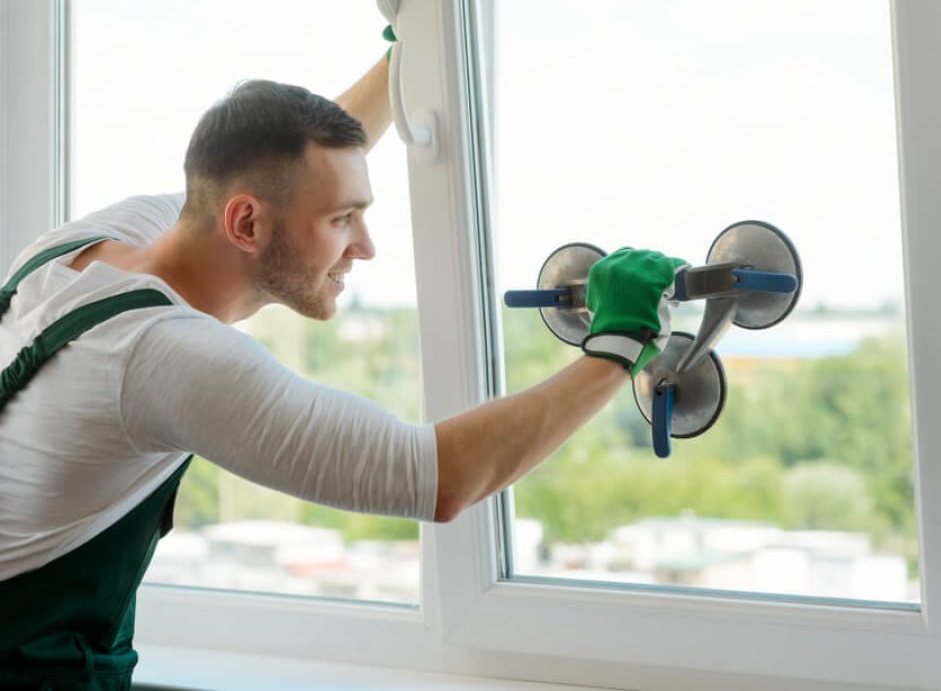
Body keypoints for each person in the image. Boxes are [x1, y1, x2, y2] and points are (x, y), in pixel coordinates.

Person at [0, 50, 684, 689]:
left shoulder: (92, 244)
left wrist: (404, 55)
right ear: (244, 225)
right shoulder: (163, 355)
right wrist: (619, 346)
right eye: (342, 220)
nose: (366, 246)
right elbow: (437, 476)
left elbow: (281, 173)